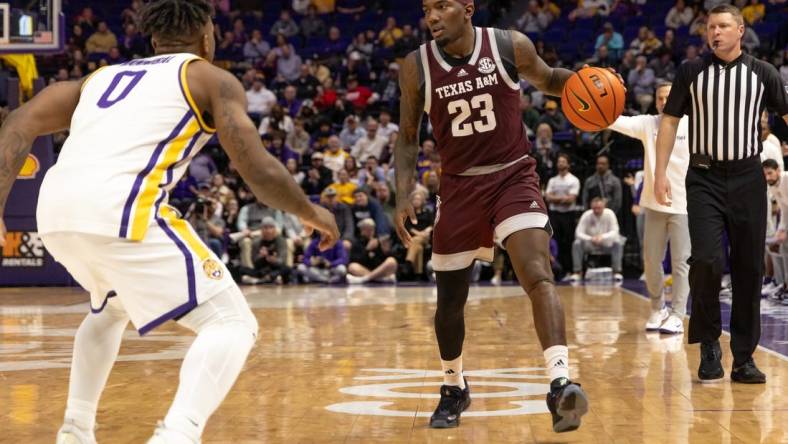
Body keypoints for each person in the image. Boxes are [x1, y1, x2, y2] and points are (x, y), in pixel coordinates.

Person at [0, 2, 340, 443]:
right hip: (119, 207)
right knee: (231, 323)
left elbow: (17, 123)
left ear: (154, 38)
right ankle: (178, 434)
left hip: (56, 212)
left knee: (109, 308)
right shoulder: (209, 77)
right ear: (205, 34)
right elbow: (257, 170)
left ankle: (75, 430)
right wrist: (313, 213)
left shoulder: (98, 80)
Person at [395, 0, 591, 432]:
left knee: (537, 272)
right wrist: (401, 191)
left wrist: (589, 85)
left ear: (467, 8)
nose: (431, 16)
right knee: (450, 300)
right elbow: (408, 137)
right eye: (426, 8)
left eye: (441, 6)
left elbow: (550, 78)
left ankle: (560, 383)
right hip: (460, 186)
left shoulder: (508, 45)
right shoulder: (416, 66)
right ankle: (454, 386)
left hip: (512, 176)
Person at [654, 4, 788, 384]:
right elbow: (669, 122)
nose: (716, 32)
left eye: (724, 26)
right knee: (708, 261)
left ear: (740, 31)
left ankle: (744, 358)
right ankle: (710, 341)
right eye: (711, 26)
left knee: (748, 269)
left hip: (748, 177)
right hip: (704, 178)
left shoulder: (763, 73)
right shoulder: (690, 71)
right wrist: (661, 173)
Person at [608, 82, 691, 335]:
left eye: (668, 97)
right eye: (660, 98)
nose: (664, 102)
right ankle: (658, 308)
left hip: (684, 204)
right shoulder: (648, 124)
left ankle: (678, 313)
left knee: (680, 263)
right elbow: (615, 121)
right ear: (655, 102)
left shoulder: (693, 123)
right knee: (651, 261)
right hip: (653, 204)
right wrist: (593, 108)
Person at [545, 153, 580, 275]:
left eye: (563, 161)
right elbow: (547, 197)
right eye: (559, 161)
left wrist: (556, 198)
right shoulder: (552, 180)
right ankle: (557, 270)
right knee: (555, 241)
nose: (560, 163)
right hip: (555, 214)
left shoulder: (574, 180)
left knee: (568, 242)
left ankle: (569, 270)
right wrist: (562, 199)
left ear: (568, 164)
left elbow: (571, 199)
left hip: (568, 214)